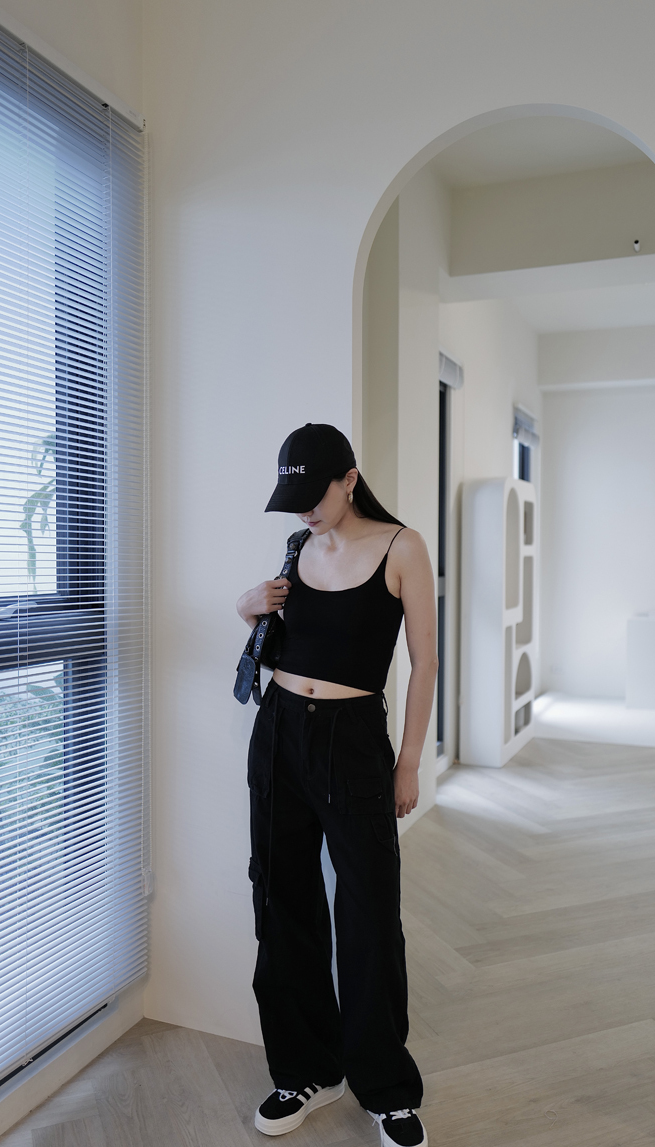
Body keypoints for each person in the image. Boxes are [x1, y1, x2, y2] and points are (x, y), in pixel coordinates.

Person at [236, 423, 438, 1147]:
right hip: (280, 733)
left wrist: (408, 762)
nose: (303, 512)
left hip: (353, 743)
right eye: (292, 499)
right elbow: (274, 641)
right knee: (282, 898)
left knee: (368, 912)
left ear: (349, 479)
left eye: (313, 496)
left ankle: (385, 1087)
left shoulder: (401, 547)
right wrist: (249, 604)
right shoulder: (299, 547)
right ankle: (306, 1069)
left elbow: (425, 662)